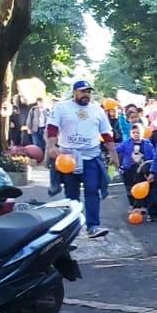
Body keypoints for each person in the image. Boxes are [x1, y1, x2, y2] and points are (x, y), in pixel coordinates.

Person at [46, 80, 116, 238]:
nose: (86, 95)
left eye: (89, 92)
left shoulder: (97, 110)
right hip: (68, 158)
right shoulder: (61, 107)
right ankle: (73, 228)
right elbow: (52, 128)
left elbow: (106, 134)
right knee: (72, 194)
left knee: (92, 189)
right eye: (83, 91)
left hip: (91, 156)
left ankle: (93, 226)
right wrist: (51, 146)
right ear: (75, 92)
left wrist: (113, 153)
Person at [117, 124, 155, 208]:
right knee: (129, 187)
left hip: (143, 169)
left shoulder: (147, 143)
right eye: (133, 132)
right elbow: (118, 149)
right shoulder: (126, 143)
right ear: (130, 133)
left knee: (141, 187)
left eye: (138, 132)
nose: (136, 134)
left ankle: (141, 206)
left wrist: (144, 159)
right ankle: (132, 204)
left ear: (142, 133)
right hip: (129, 168)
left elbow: (152, 156)